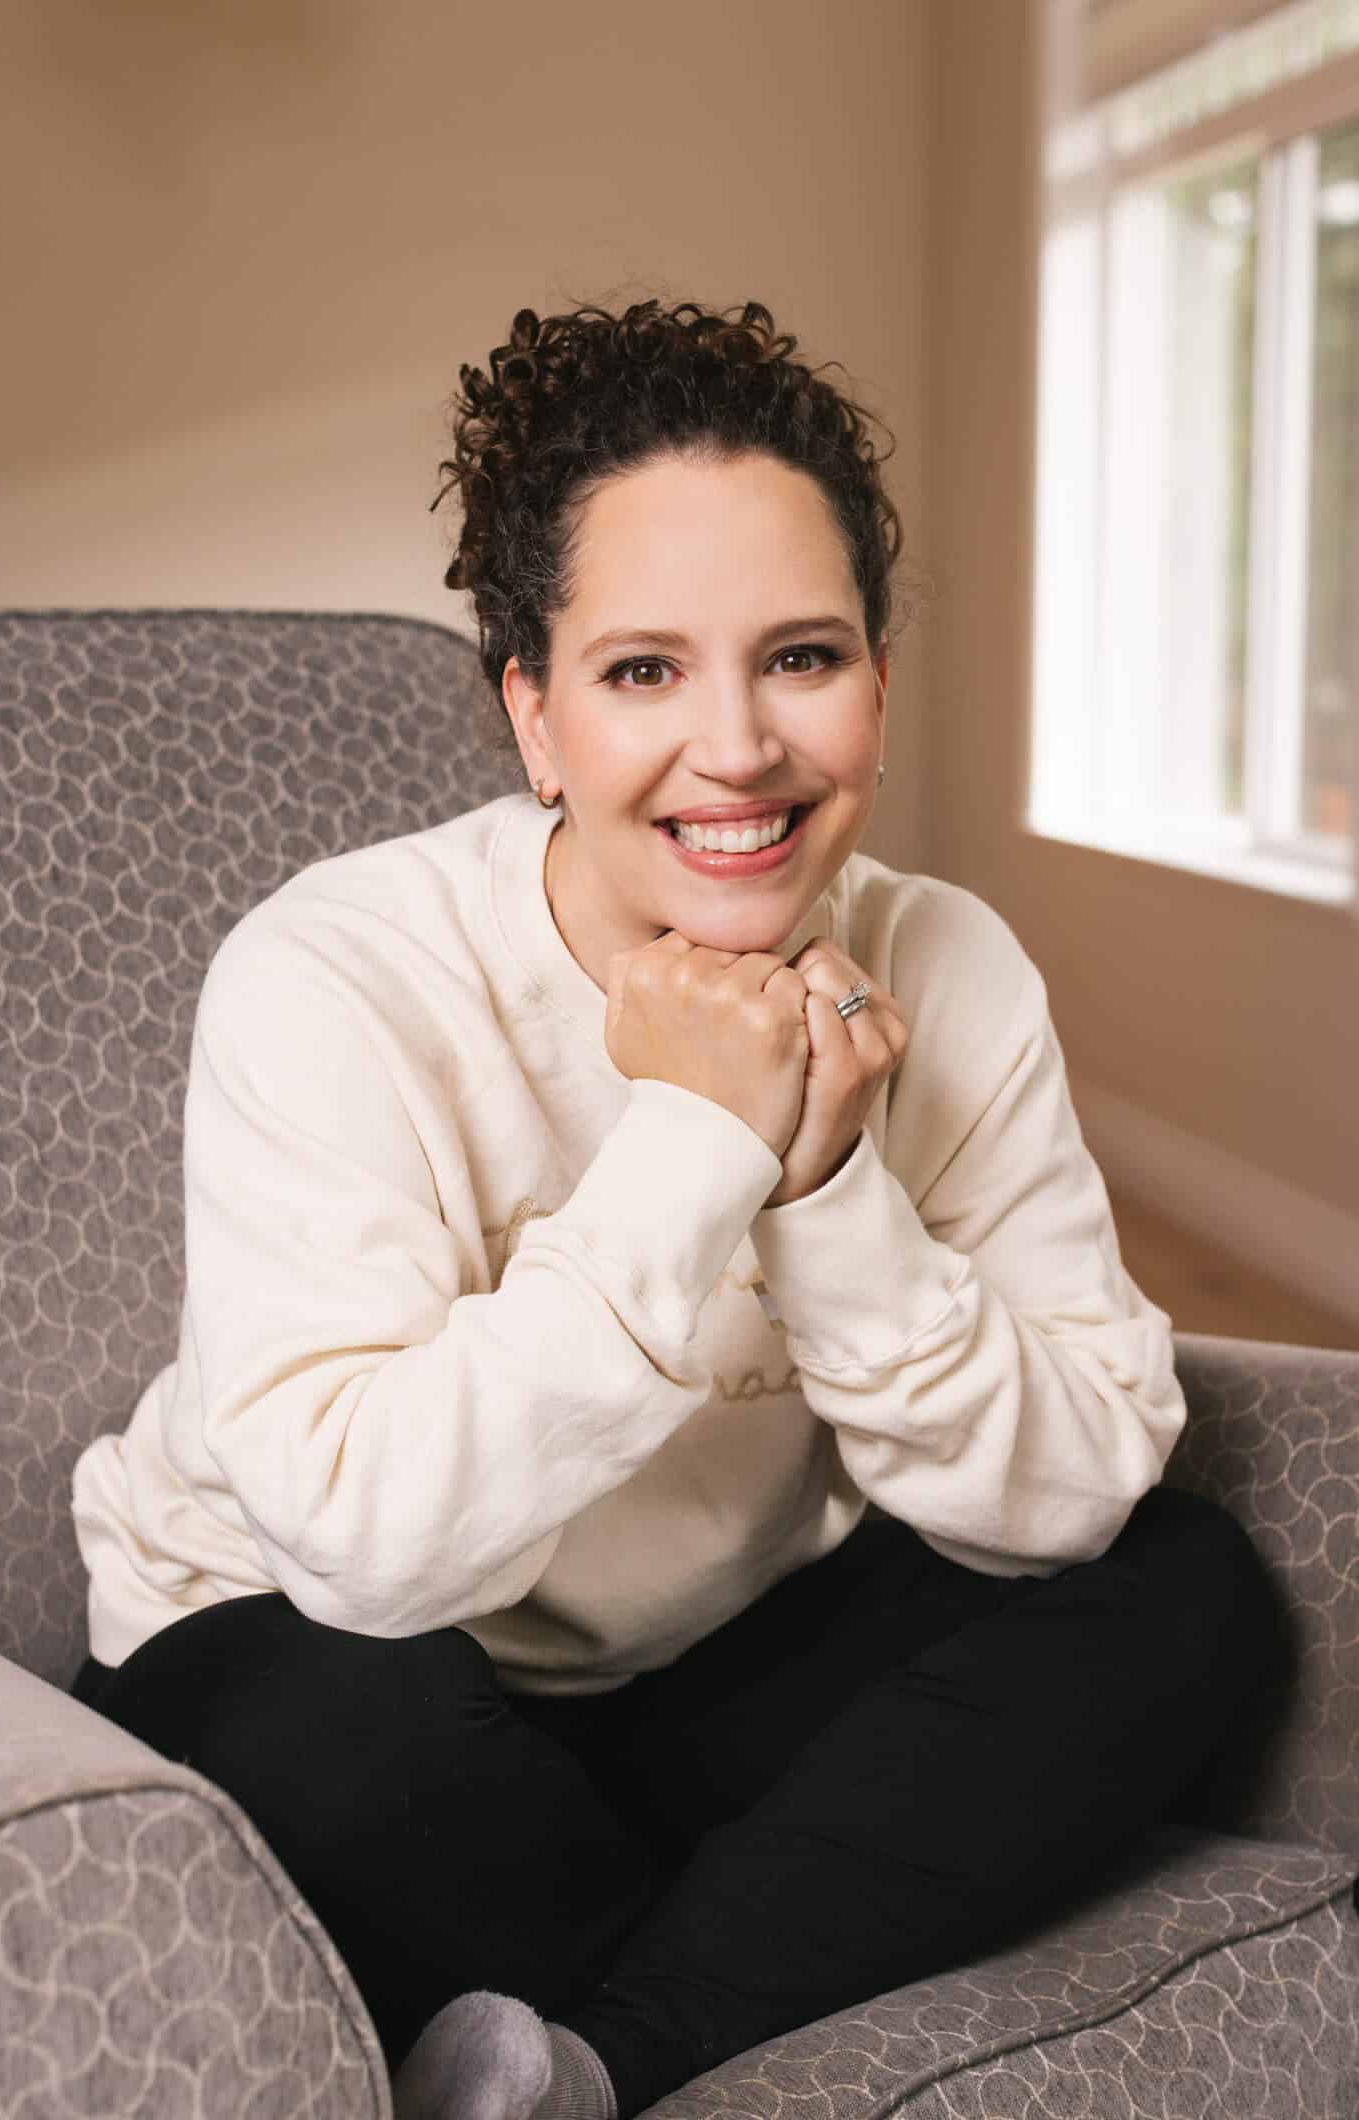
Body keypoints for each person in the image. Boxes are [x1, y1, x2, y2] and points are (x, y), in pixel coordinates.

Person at [67, 295, 1286, 2120]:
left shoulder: (943, 961)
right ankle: (726, 1963)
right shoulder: (334, 970)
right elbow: (363, 1549)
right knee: (348, 1741)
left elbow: (1074, 1486)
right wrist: (697, 1142)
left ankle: (586, 2063)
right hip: (333, 1644)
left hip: (695, 1666)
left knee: (1185, 1593)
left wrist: (827, 1189)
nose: (737, 750)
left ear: (878, 681)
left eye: (799, 656)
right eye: (642, 672)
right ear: (535, 717)